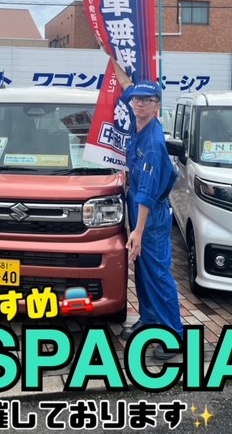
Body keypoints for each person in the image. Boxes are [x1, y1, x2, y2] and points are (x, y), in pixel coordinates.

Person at [100, 43, 183, 360]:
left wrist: (138, 230)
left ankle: (173, 335)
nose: (139, 103)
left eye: (147, 101)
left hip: (151, 215)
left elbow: (148, 191)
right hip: (138, 207)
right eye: (137, 99)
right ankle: (149, 320)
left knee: (158, 273)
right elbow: (125, 84)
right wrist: (110, 52)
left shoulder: (153, 142)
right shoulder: (138, 118)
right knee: (143, 271)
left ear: (157, 106)